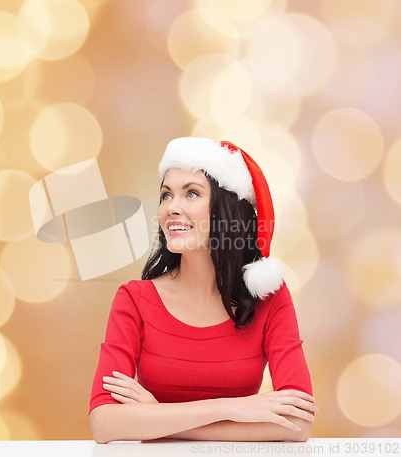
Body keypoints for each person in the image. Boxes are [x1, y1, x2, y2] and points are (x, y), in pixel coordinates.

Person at [89, 137, 316, 443]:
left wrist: (158, 417)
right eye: (166, 195)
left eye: (191, 193)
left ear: (227, 210)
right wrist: (231, 409)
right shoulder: (134, 300)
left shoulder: (269, 299)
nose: (172, 207)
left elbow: (298, 423)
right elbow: (104, 423)